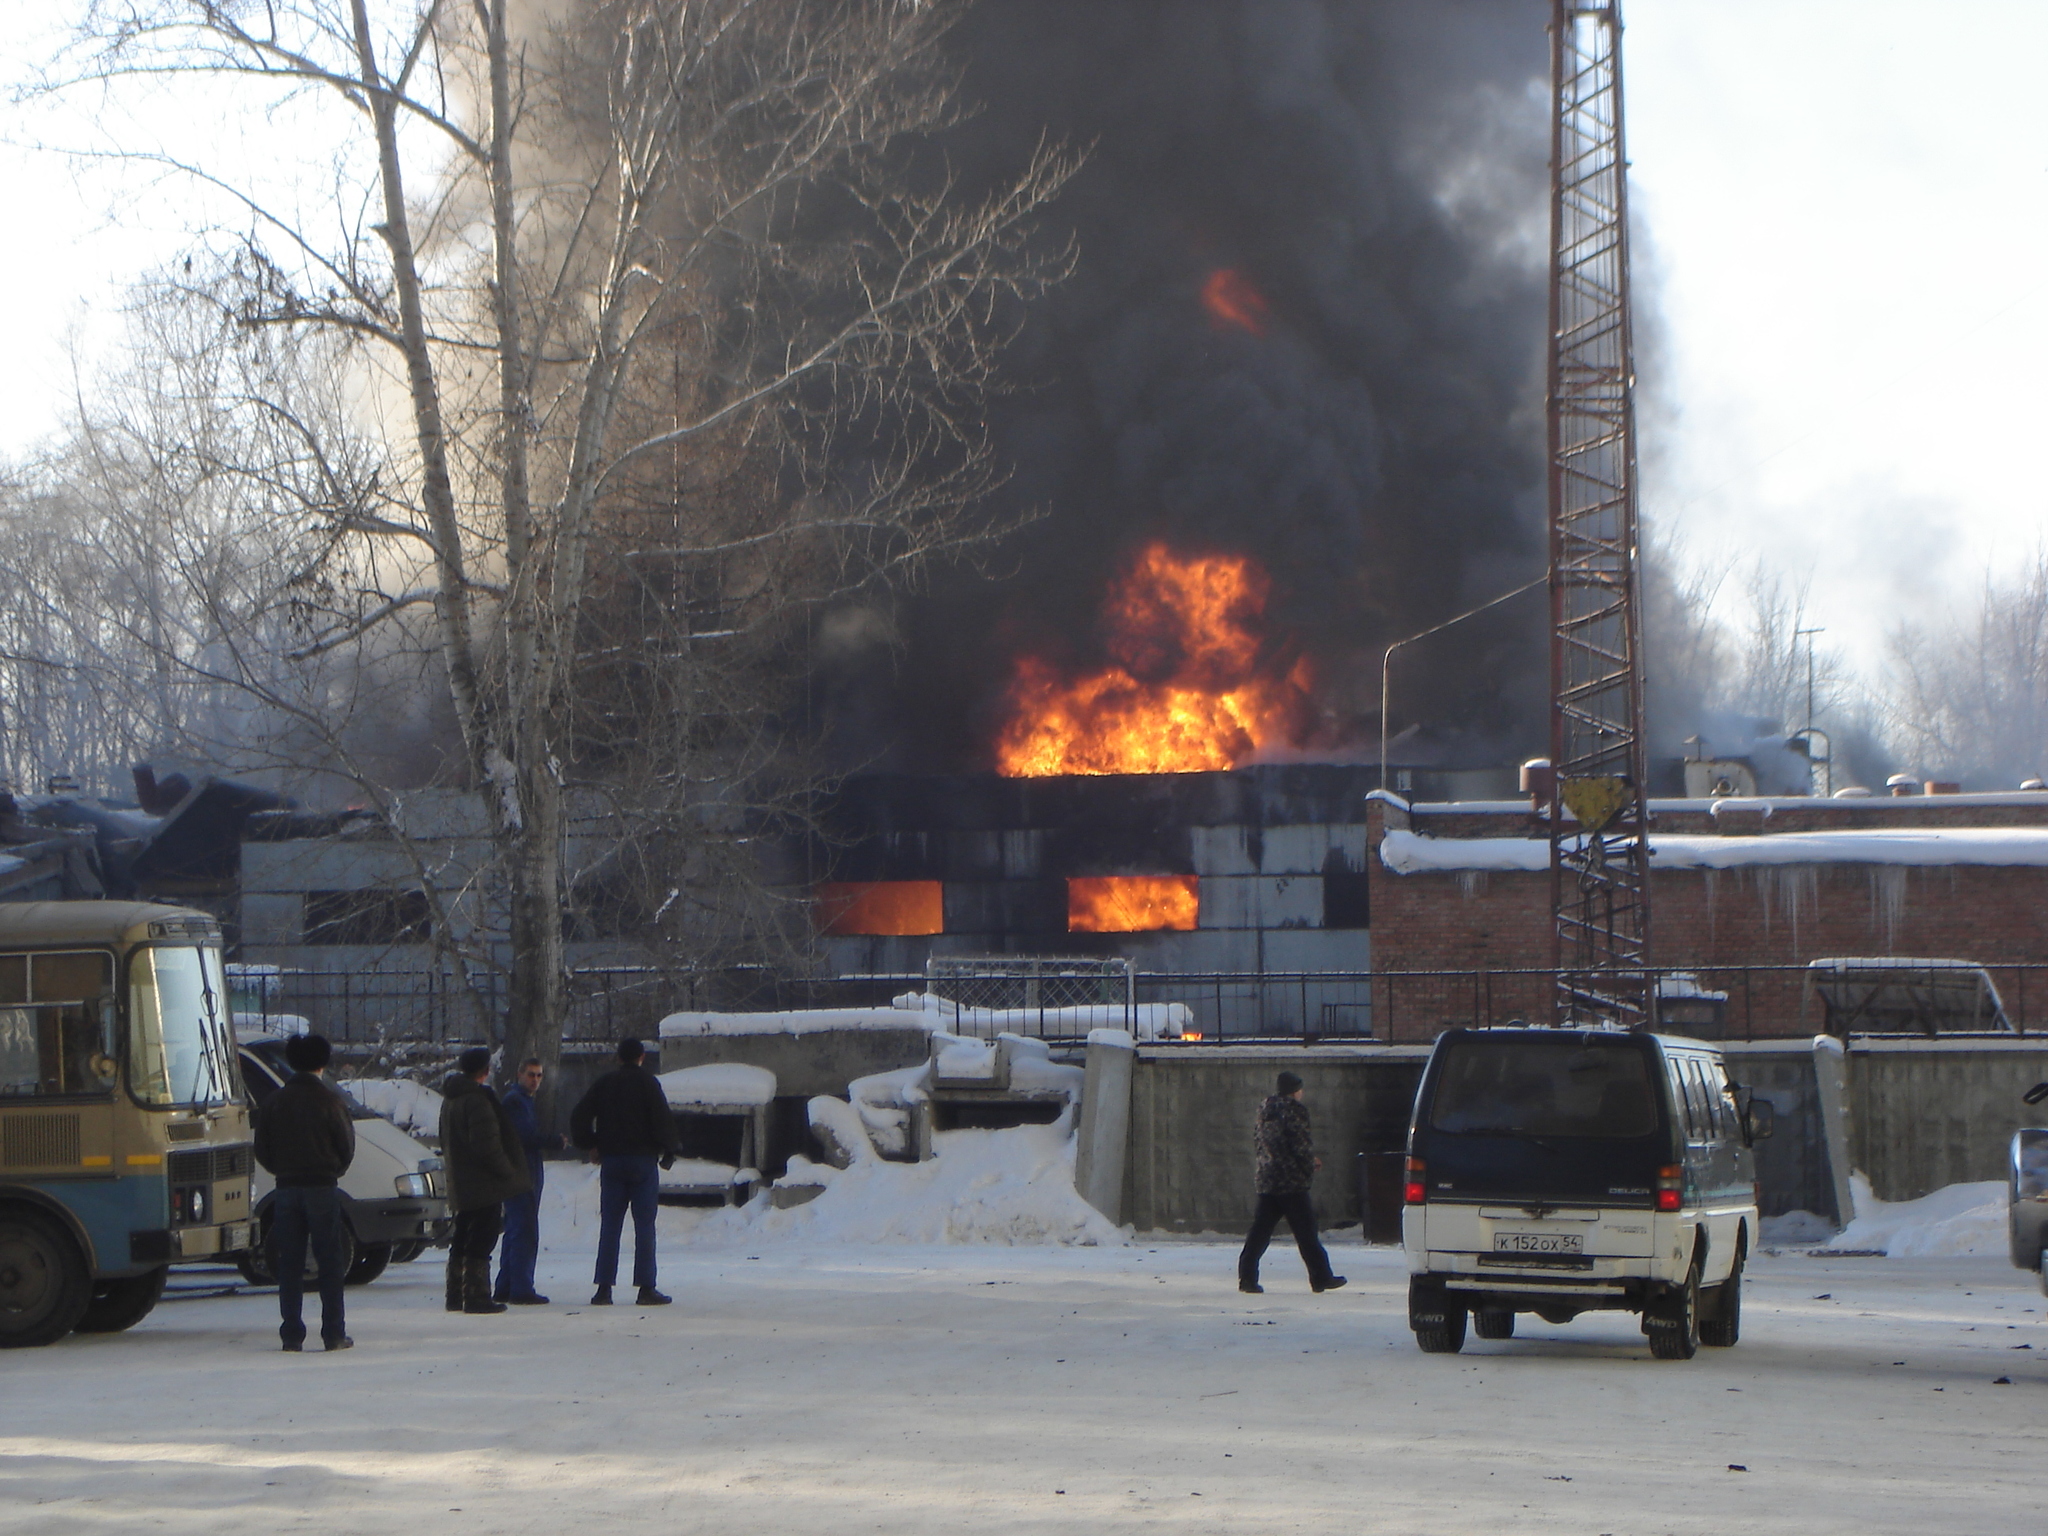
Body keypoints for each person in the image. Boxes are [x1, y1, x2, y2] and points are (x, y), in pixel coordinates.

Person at [250, 1031, 356, 1352]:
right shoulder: (331, 1101)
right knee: (329, 1260)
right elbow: (346, 1147)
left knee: (289, 1262)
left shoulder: (274, 1102)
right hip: (322, 1187)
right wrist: (331, 1169)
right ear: (322, 1064)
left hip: (286, 1188)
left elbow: (262, 1148)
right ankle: (334, 1333)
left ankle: (291, 1334)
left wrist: (282, 1171)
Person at [570, 1037, 678, 1307]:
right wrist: (668, 1151)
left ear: (618, 1058)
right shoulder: (648, 1084)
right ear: (641, 1057)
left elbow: (578, 1116)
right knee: (644, 1226)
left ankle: (604, 1289)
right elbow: (662, 1119)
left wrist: (591, 1143)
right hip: (642, 1161)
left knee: (610, 1225)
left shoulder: (605, 1084)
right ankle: (646, 1288)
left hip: (613, 1161)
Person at [439, 1045, 532, 1316]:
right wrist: (508, 1171)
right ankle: (477, 1295)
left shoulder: (451, 1099)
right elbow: (487, 1146)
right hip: (483, 1184)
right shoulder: (478, 1101)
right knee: (482, 1238)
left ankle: (455, 1293)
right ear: (485, 1070)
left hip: (461, 1180)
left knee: (462, 1236)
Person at [1237, 1070, 1345, 1295]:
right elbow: (1299, 1144)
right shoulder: (1295, 1110)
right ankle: (1321, 1277)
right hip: (1291, 1181)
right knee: (1306, 1232)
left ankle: (1246, 1277)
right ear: (1295, 1090)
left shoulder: (1264, 1109)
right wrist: (1309, 1164)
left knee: (1260, 1232)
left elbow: (1262, 1143)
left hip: (1268, 1178)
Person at [493, 1056, 561, 1305]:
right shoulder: (515, 1102)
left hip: (524, 1170)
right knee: (524, 1230)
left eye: (539, 1075)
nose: (535, 1080)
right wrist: (553, 1142)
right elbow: (525, 1136)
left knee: (515, 1229)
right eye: (531, 1074)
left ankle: (506, 1285)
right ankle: (520, 1287)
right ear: (519, 1074)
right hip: (521, 1173)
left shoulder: (523, 1102)